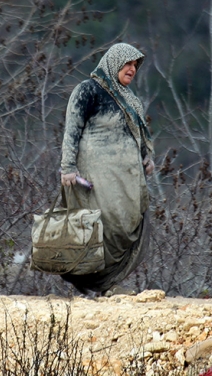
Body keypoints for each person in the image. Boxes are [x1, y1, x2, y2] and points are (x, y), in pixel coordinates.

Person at [59, 43, 155, 296]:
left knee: (126, 227)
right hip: (97, 178)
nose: (132, 69)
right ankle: (94, 283)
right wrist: (68, 167)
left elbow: (140, 134)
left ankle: (106, 285)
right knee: (104, 225)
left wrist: (147, 157)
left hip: (128, 181)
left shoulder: (131, 100)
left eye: (135, 65)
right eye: (128, 63)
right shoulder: (88, 91)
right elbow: (72, 130)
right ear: (114, 62)